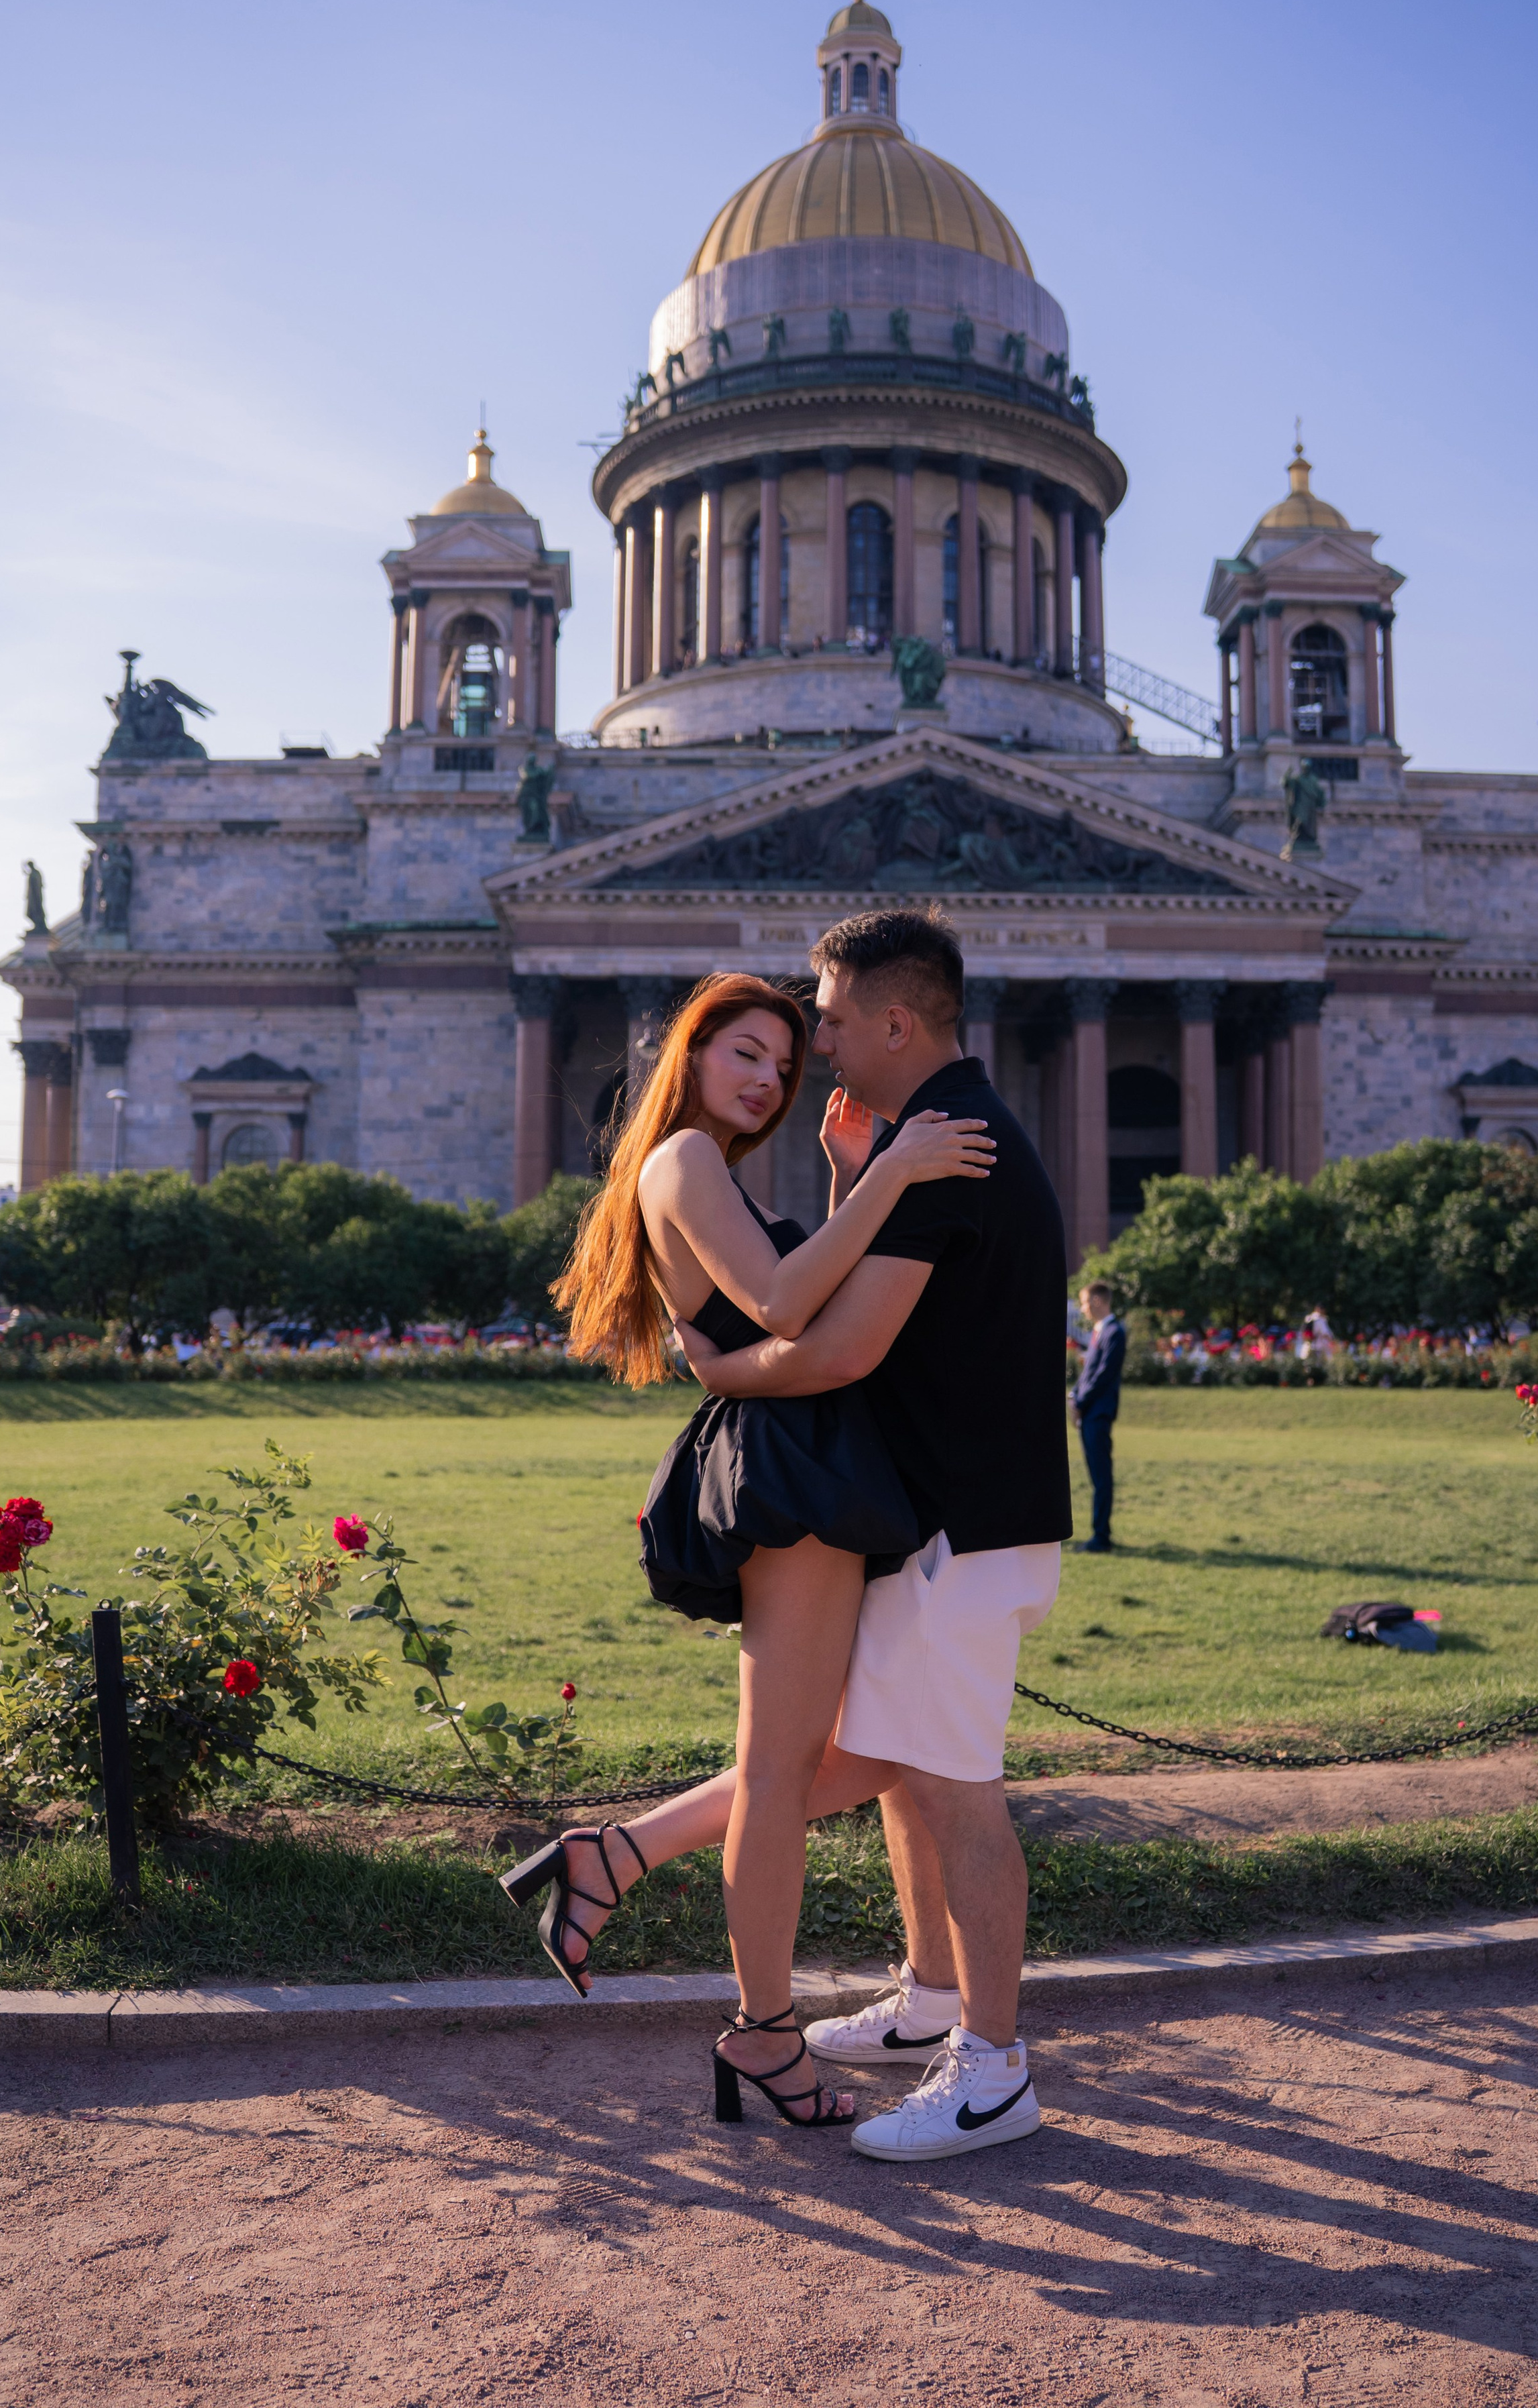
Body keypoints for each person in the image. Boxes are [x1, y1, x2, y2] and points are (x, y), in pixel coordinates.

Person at [529, 912, 1071, 2165]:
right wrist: (737, 1338)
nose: (798, 1060)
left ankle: (983, 2068)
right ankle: (908, 2007)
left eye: (813, 1028)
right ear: (694, 1057)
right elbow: (797, 1321)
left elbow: (825, 1339)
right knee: (865, 1762)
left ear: (894, 1020)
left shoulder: (950, 1146)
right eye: (760, 1048)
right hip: (884, 1503)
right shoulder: (890, 1149)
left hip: (952, 1524)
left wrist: (735, 1345)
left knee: (919, 1778)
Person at [1070, 1280, 1125, 1553]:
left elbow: (1103, 1376)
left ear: (1096, 1301)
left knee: (1102, 1477)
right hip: (1089, 1412)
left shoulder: (1114, 1332)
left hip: (1098, 1414)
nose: (1082, 1309)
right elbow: (1088, 1374)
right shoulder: (1099, 1332)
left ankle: (1101, 1536)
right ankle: (1099, 1533)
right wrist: (1074, 1396)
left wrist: (1080, 1401)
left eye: (1083, 1302)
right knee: (1096, 1476)